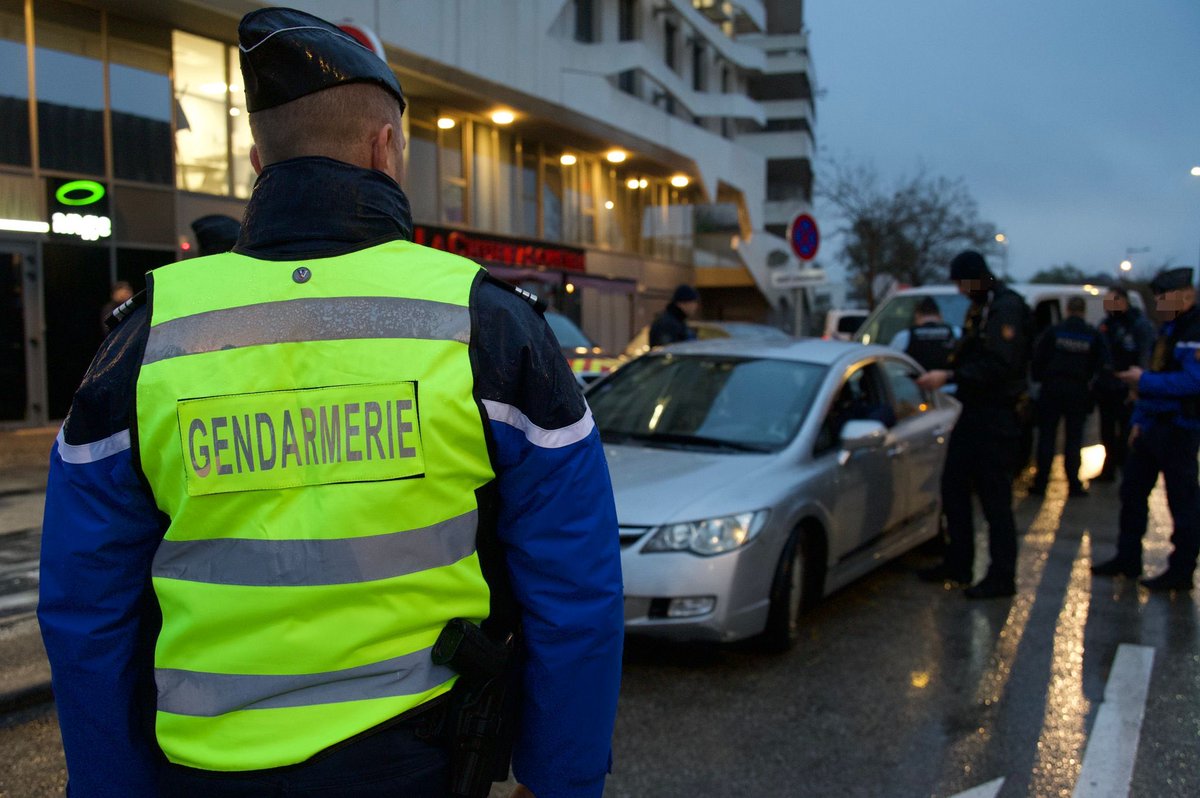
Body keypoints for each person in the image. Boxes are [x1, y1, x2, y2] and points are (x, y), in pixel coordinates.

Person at [38, 8, 624, 798]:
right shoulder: (487, 325)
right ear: (385, 148)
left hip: (203, 770)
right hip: (413, 764)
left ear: (256, 161)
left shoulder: (146, 338)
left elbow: (83, 609)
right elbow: (576, 588)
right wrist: (562, 780)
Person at [915, 250, 1032, 599]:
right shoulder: (983, 307)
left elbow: (999, 365)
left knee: (995, 500)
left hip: (997, 417)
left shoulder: (1005, 308)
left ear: (976, 277)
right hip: (974, 412)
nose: (960, 291)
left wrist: (950, 375)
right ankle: (959, 563)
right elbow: (970, 350)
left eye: (961, 283)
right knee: (954, 487)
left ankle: (1001, 576)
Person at [1091, 267, 1200, 592]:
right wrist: (1138, 421)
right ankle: (1127, 558)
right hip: (1152, 426)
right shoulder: (1168, 328)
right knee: (1132, 493)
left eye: (1164, 298)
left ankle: (1180, 571)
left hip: (1180, 429)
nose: (1160, 304)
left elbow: (1193, 380)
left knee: (1182, 503)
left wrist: (1144, 381)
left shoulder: (1194, 329)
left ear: (1186, 295)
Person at [1028, 296, 1108, 497]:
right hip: (1078, 390)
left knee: (1047, 438)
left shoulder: (1054, 332)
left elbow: (1037, 358)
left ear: (1067, 309)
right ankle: (1073, 484)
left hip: (1052, 389)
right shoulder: (1092, 334)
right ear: (1084, 310)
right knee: (1074, 438)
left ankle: (1040, 484)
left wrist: (1040, 381)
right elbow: (1102, 363)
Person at [1092, 286, 1155, 482]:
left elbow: (1145, 356)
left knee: (1128, 433)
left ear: (1123, 301)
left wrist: (1138, 387)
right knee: (1107, 432)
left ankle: (1128, 470)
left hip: (1127, 387)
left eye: (1112, 300)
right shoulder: (1105, 325)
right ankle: (1108, 469)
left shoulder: (1138, 325)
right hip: (1107, 387)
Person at [888, 296, 960, 372]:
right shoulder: (956, 333)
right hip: (952, 382)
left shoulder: (904, 337)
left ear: (917, 315)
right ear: (940, 316)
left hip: (914, 383)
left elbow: (891, 368)